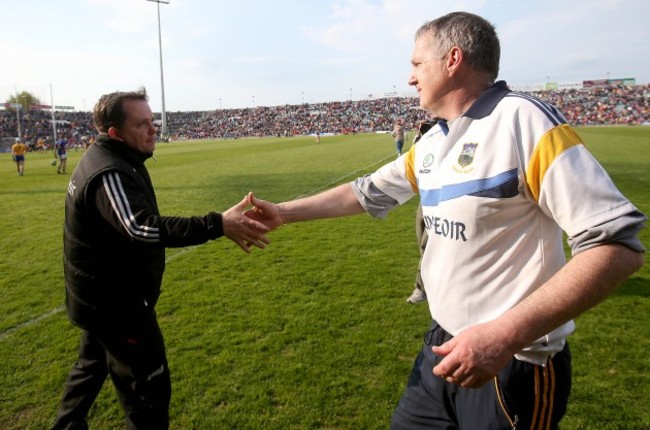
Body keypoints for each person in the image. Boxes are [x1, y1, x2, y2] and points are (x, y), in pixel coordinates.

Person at [245, 11, 646, 430]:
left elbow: (616, 246)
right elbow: (366, 193)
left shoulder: (523, 121)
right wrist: (285, 213)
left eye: (417, 64)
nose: (411, 78)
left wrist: (504, 337)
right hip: (442, 345)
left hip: (510, 362)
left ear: (452, 60)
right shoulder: (435, 139)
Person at [52, 89, 271, 430]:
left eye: (152, 121)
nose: (153, 129)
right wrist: (217, 224)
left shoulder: (115, 157)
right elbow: (140, 228)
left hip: (99, 296)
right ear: (115, 133)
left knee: (89, 367)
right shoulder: (109, 171)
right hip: (116, 304)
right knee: (148, 395)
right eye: (142, 124)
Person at [406, 120, 436, 304]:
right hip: (426, 200)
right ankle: (424, 287)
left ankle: (421, 287)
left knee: (430, 245)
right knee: (423, 244)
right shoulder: (422, 143)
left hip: (448, 199)